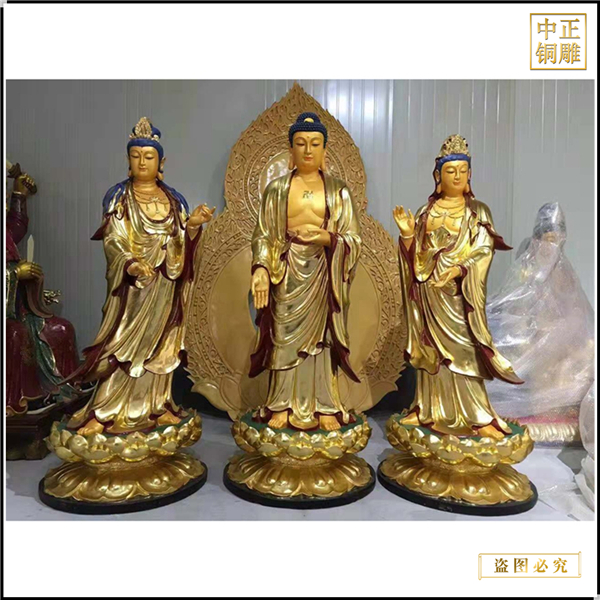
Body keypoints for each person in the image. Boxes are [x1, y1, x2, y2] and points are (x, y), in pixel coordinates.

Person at [66, 117, 214, 435]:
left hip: (165, 283)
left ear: (162, 163)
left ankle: (158, 406)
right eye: (136, 156)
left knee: (161, 347)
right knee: (123, 347)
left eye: (149, 156)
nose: (142, 162)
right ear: (128, 160)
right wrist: (131, 264)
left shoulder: (174, 200)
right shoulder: (120, 198)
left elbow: (180, 238)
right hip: (133, 288)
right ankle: (106, 409)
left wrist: (192, 226)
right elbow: (114, 239)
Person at [393, 134, 522, 439]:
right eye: (450, 171)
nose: (457, 176)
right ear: (438, 177)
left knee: (465, 352)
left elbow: (483, 250)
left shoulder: (477, 211)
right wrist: (408, 234)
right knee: (432, 355)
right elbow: (415, 258)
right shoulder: (425, 213)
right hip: (429, 295)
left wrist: (458, 269)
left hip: (459, 297)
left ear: (469, 175)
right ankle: (427, 408)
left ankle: (478, 416)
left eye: (463, 171)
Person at [249, 113, 361, 431]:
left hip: (324, 270)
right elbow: (264, 235)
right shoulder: (277, 190)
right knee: (283, 338)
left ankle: (325, 404)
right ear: (291, 150)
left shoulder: (338, 191)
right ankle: (281, 404)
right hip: (286, 270)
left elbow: (353, 238)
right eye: (300, 143)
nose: (308, 150)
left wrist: (328, 238)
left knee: (322, 342)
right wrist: (261, 268)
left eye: (315, 143)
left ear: (325, 150)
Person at [6, 168, 80, 416]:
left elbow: (13, 231)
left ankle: (67, 388)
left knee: (61, 329)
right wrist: (14, 274)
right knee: (14, 335)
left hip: (19, 309)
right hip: (9, 319)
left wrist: (19, 195)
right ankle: (19, 399)